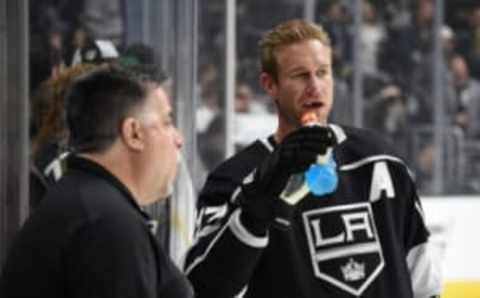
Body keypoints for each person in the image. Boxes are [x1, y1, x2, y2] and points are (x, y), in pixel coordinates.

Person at [183, 19, 442, 298]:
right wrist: (254, 209)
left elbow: (423, 277)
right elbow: (204, 288)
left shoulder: (380, 160)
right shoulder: (233, 178)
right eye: (300, 75)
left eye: (322, 72)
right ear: (270, 85)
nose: (314, 87)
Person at [0, 67, 193, 298]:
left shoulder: (89, 205)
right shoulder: (105, 224)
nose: (179, 139)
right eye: (166, 121)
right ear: (133, 133)